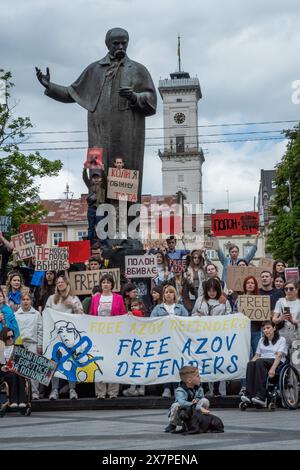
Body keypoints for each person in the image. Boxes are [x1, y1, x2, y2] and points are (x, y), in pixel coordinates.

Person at [36, 27, 157, 203]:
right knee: (96, 176)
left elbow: (151, 99)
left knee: (123, 180)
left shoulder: (138, 70)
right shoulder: (94, 70)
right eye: (116, 43)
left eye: (124, 43)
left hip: (126, 135)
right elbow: (72, 93)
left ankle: (123, 220)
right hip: (98, 134)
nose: (121, 47)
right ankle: (100, 216)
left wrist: (134, 96)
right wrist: (49, 86)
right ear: (108, 44)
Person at [45, 275, 84, 400]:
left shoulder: (74, 298)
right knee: (54, 363)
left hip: (70, 338)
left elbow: (81, 314)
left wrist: (73, 305)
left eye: (62, 282)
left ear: (67, 284)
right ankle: (54, 390)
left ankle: (72, 389)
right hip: (55, 336)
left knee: (71, 362)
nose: (60, 284)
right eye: (58, 282)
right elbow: (46, 315)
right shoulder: (51, 299)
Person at [90, 274, 126, 399]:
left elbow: (123, 315)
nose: (105, 284)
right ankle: (100, 392)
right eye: (103, 282)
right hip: (99, 335)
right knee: (99, 362)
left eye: (108, 282)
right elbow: (91, 316)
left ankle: (113, 392)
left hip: (114, 336)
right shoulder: (95, 299)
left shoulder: (119, 298)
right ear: (101, 285)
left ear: (112, 285)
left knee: (113, 363)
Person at [151, 285, 188, 398]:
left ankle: (177, 388)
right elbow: (152, 322)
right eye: (166, 292)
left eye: (171, 292)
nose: (168, 294)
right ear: (163, 295)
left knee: (177, 364)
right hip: (164, 341)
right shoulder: (158, 308)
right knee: (166, 364)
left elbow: (187, 321)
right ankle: (166, 388)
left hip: (177, 341)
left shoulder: (180, 308)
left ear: (174, 295)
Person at [241, 321, 288, 407]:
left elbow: (279, 355)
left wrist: (273, 369)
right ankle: (249, 395)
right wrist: (251, 364)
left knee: (259, 362)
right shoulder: (262, 340)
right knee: (251, 364)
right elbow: (257, 355)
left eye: (268, 328)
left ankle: (261, 396)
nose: (266, 330)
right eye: (264, 329)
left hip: (276, 362)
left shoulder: (281, 339)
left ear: (274, 328)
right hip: (262, 362)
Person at [165, 365, 210, 433]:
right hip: (183, 412)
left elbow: (200, 397)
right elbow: (182, 403)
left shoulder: (199, 388)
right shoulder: (179, 390)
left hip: (192, 412)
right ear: (189, 380)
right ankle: (173, 424)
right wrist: (199, 407)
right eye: (197, 376)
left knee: (205, 401)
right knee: (176, 405)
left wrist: (197, 400)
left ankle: (198, 421)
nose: (200, 377)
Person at [15, 292, 43, 400]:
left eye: (27, 299)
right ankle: (23, 394)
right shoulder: (16, 315)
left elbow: (40, 331)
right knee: (21, 370)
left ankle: (35, 393)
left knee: (34, 370)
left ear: (31, 301)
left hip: (33, 344)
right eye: (23, 299)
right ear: (20, 301)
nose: (25, 301)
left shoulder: (36, 314)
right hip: (20, 344)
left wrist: (40, 345)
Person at [0, 327, 27, 408]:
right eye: (8, 337)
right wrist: (2, 367)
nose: (11, 339)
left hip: (17, 370)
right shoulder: (1, 348)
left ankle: (22, 401)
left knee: (19, 374)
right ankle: (13, 400)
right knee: (13, 375)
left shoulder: (19, 347)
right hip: (4, 373)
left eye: (12, 336)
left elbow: (25, 362)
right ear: (3, 337)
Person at [273, 281, 300, 347]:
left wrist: (293, 321)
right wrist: (280, 318)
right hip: (283, 335)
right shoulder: (280, 301)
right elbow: (274, 320)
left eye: (291, 289)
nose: (288, 291)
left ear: (296, 290)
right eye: (286, 289)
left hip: (297, 335)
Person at [82, 166, 106, 241]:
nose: (96, 179)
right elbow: (85, 178)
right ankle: (90, 242)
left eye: (97, 177)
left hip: (100, 208)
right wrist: (84, 169)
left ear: (100, 179)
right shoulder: (90, 186)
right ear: (92, 179)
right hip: (91, 208)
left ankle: (101, 242)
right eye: (94, 178)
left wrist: (103, 171)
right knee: (91, 226)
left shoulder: (103, 186)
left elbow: (105, 179)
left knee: (100, 226)